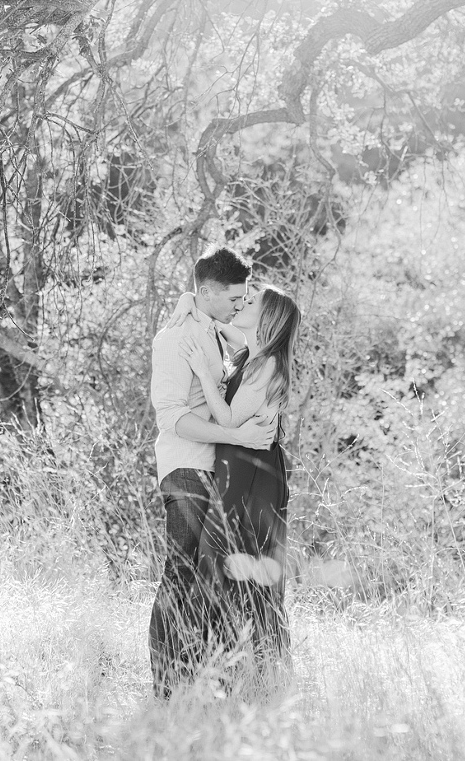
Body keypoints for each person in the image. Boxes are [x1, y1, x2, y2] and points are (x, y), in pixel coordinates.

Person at [148, 246, 276, 699]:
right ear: (205, 292)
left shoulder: (216, 332)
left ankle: (199, 680)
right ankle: (165, 688)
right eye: (232, 299)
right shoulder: (174, 339)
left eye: (244, 299)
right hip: (186, 468)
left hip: (214, 471)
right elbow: (171, 417)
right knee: (180, 573)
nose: (239, 305)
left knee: (207, 579)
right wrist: (240, 439)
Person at [174, 283, 301, 693]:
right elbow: (211, 312)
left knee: (241, 566)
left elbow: (227, 419)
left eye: (252, 302)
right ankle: (233, 675)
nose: (243, 303)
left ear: (268, 319)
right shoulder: (250, 353)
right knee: (227, 567)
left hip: (254, 473)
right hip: (241, 466)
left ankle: (260, 676)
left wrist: (199, 371)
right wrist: (186, 300)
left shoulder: (265, 365)